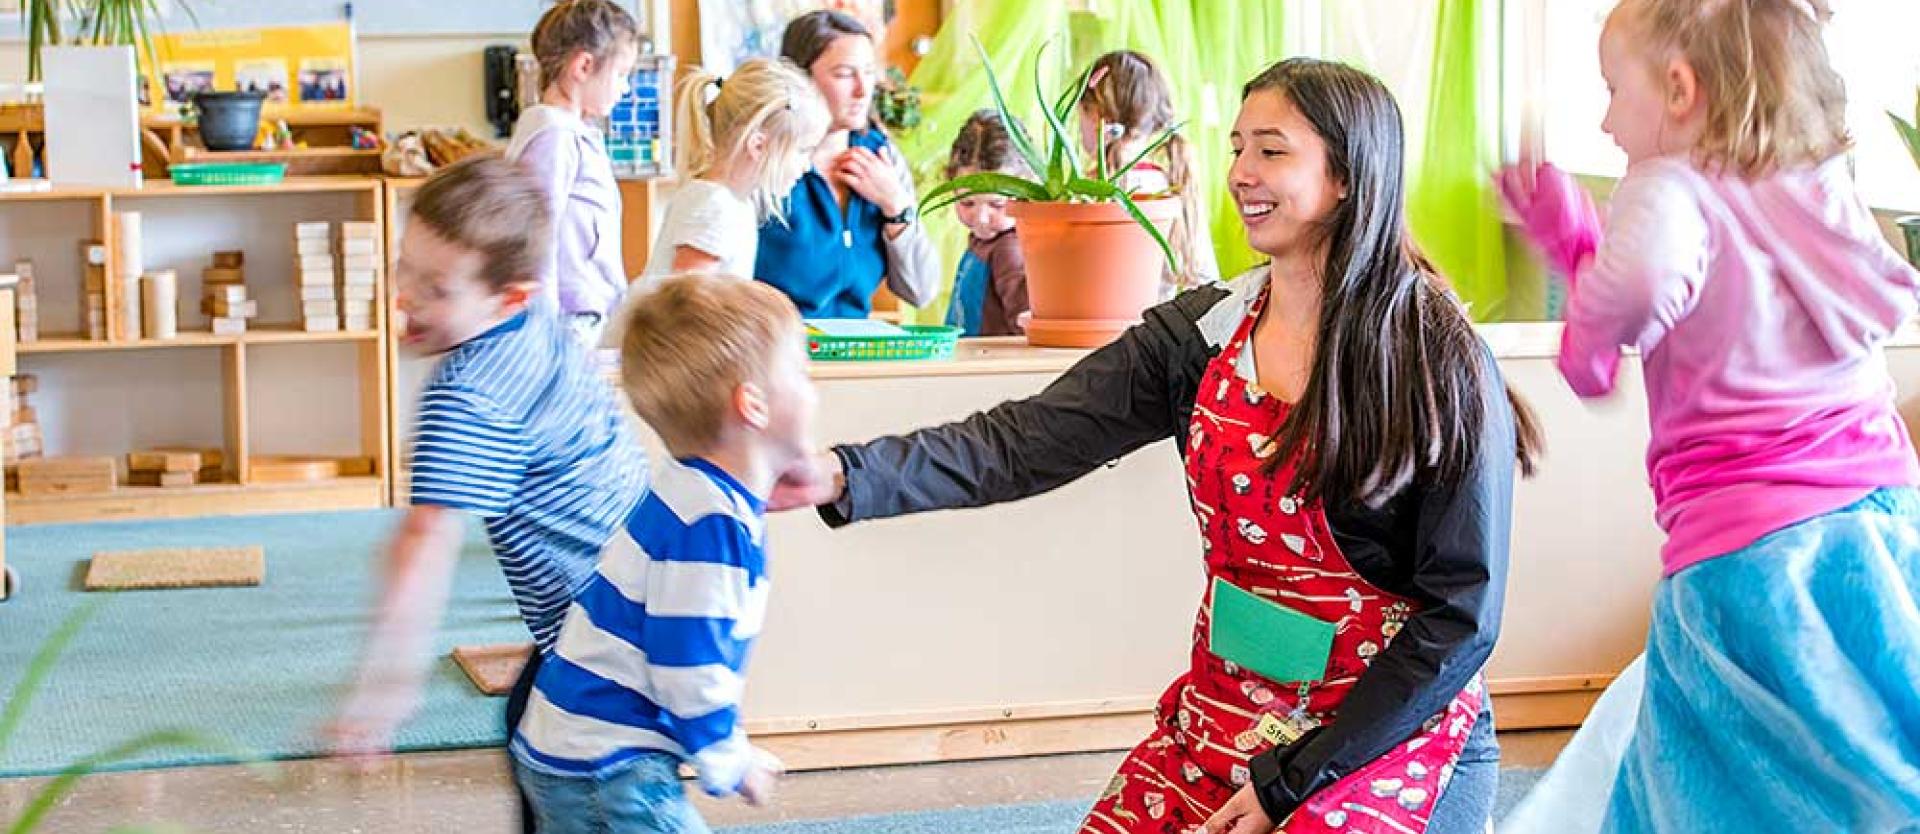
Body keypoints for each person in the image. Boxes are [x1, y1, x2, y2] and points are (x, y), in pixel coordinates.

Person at [774, 58, 1541, 834]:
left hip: (1384, 732)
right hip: (1226, 716)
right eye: (1238, 147)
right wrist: (845, 474)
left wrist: (1292, 782)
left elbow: (1460, 618)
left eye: (1272, 151)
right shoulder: (1201, 337)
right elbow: (1023, 442)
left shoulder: (1437, 357)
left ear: (1348, 175)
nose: (1240, 172)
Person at [1497, 0, 1920, 830]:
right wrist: (1584, 242)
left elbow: (1647, 286)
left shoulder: (1667, 182)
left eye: (1615, 90)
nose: (1609, 120)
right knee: (1867, 740)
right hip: (1877, 518)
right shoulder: (1810, 179)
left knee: (1711, 771)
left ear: (1681, 89)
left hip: (1748, 552)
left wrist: (1586, 341)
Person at [322, 158, 646, 806]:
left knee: (599, 794)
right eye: (403, 269)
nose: (405, 298)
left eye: (438, 289)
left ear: (511, 295)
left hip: (605, 635)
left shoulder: (467, 393)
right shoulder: (537, 320)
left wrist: (386, 691)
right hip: (642, 593)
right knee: (534, 740)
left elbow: (424, 543)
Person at [512, 275, 817, 833]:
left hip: (577, 749)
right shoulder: (711, 524)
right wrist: (730, 760)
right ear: (752, 405)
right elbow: (688, 665)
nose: (811, 387)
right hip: (608, 769)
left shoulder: (690, 490)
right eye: (799, 372)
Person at [753, 10, 939, 319]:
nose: (862, 90)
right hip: (775, 352)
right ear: (801, 79)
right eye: (843, 74)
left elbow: (921, 290)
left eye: (868, 72)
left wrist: (896, 204)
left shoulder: (883, 157)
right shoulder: (766, 160)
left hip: (854, 354)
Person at [505, 0, 642, 346]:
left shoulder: (571, 132)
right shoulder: (554, 135)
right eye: (622, 74)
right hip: (565, 322)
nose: (624, 89)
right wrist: (543, 331)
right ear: (583, 66)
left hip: (586, 315)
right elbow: (539, 236)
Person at [639, 58, 828, 283]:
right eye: (803, 151)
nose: (808, 165)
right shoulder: (714, 206)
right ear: (758, 145)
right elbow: (687, 305)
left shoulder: (734, 204)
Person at [1079, 49, 1222, 295]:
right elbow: (1205, 279)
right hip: (1157, 330)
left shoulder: (1092, 192)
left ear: (1096, 116)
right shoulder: (1171, 181)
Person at [941, 109, 1031, 337]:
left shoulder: (1009, 249)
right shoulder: (984, 240)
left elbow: (1026, 325)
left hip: (991, 369)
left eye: (997, 204)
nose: (980, 219)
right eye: (967, 203)